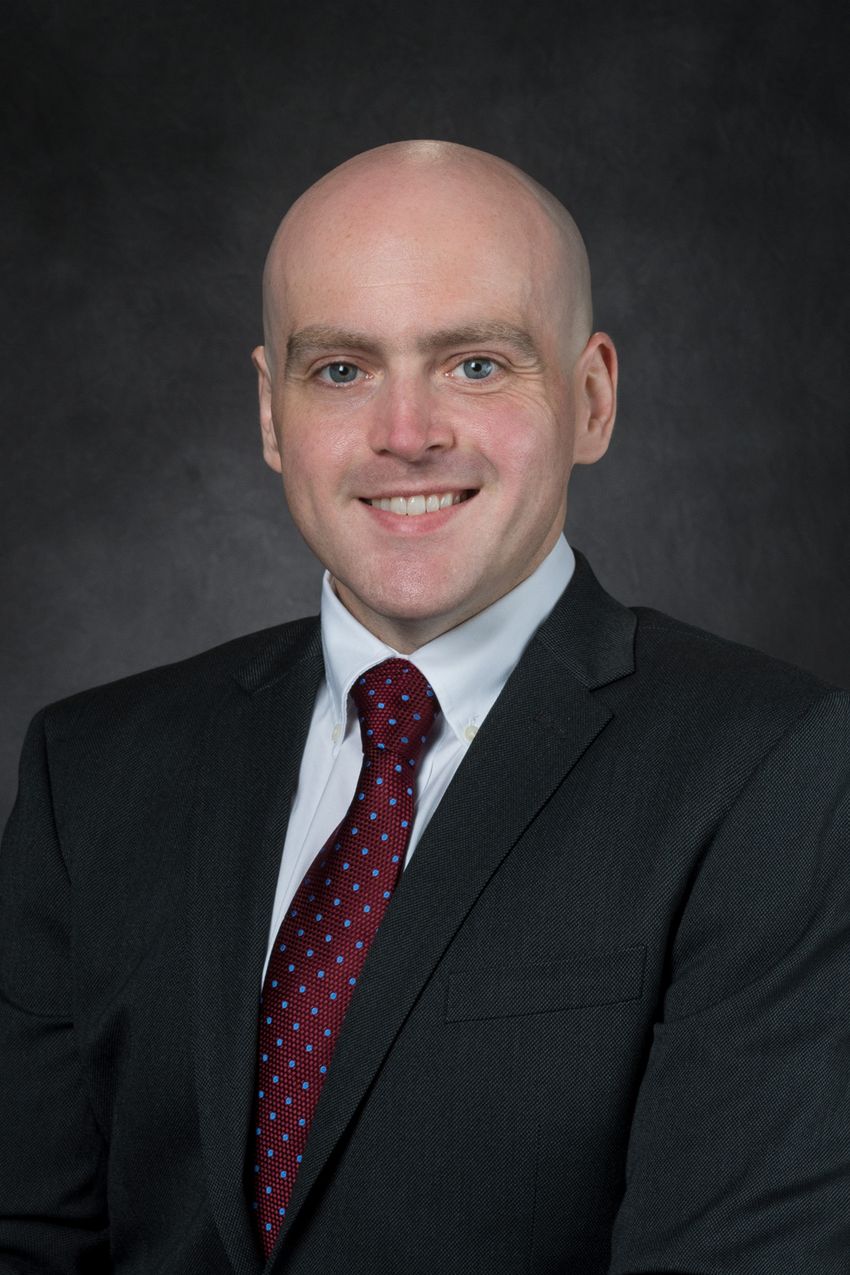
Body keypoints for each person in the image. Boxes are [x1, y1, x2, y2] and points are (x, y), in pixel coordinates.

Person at [0, 140, 847, 1275]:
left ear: (591, 399)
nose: (406, 433)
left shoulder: (772, 773)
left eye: (477, 365)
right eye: (341, 370)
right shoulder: (89, 770)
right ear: (269, 412)